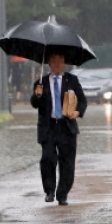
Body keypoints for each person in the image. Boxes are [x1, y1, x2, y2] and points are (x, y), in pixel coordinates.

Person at [30, 52, 87, 206]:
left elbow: (82, 100)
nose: (57, 64)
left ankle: (63, 194)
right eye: (54, 61)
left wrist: (78, 112)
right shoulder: (41, 83)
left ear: (64, 63)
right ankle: (49, 191)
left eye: (61, 61)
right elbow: (34, 103)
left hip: (66, 126)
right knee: (48, 158)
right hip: (48, 127)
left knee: (67, 162)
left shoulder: (72, 80)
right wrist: (37, 95)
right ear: (49, 63)